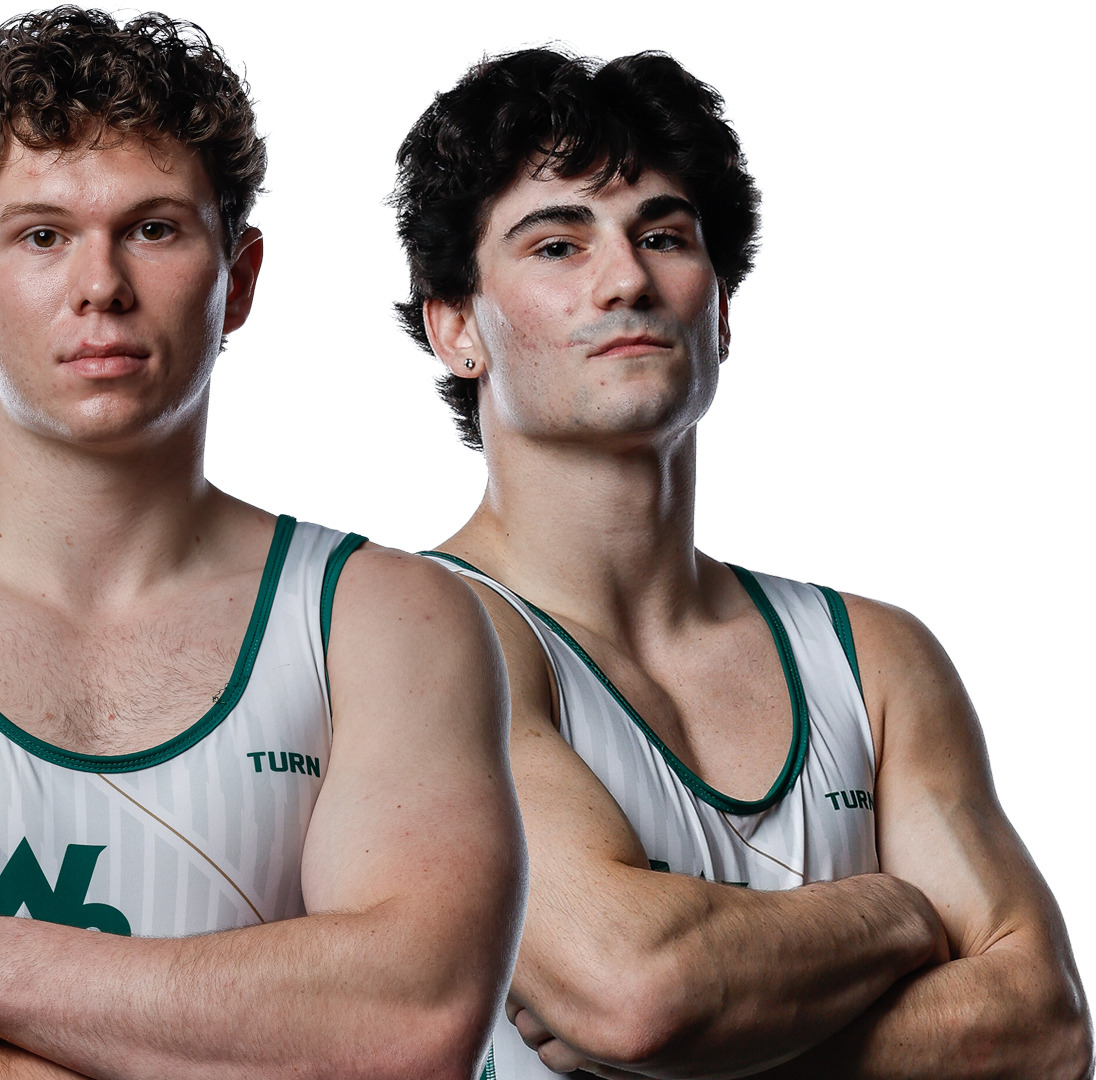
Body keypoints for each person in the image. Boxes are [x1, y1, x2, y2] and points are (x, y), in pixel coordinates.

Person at [0, 8, 523, 1079]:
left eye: (154, 229)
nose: (100, 286)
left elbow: (411, 1026)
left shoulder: (385, 622)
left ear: (240, 279)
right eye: (42, 235)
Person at [391, 47, 1092, 1079]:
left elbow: (1044, 1029)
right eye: (558, 245)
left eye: (663, 236)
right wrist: (897, 914)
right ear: (457, 328)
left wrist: (710, 1028)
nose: (626, 279)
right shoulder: (411, 633)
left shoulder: (874, 660)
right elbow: (635, 990)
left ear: (718, 309)